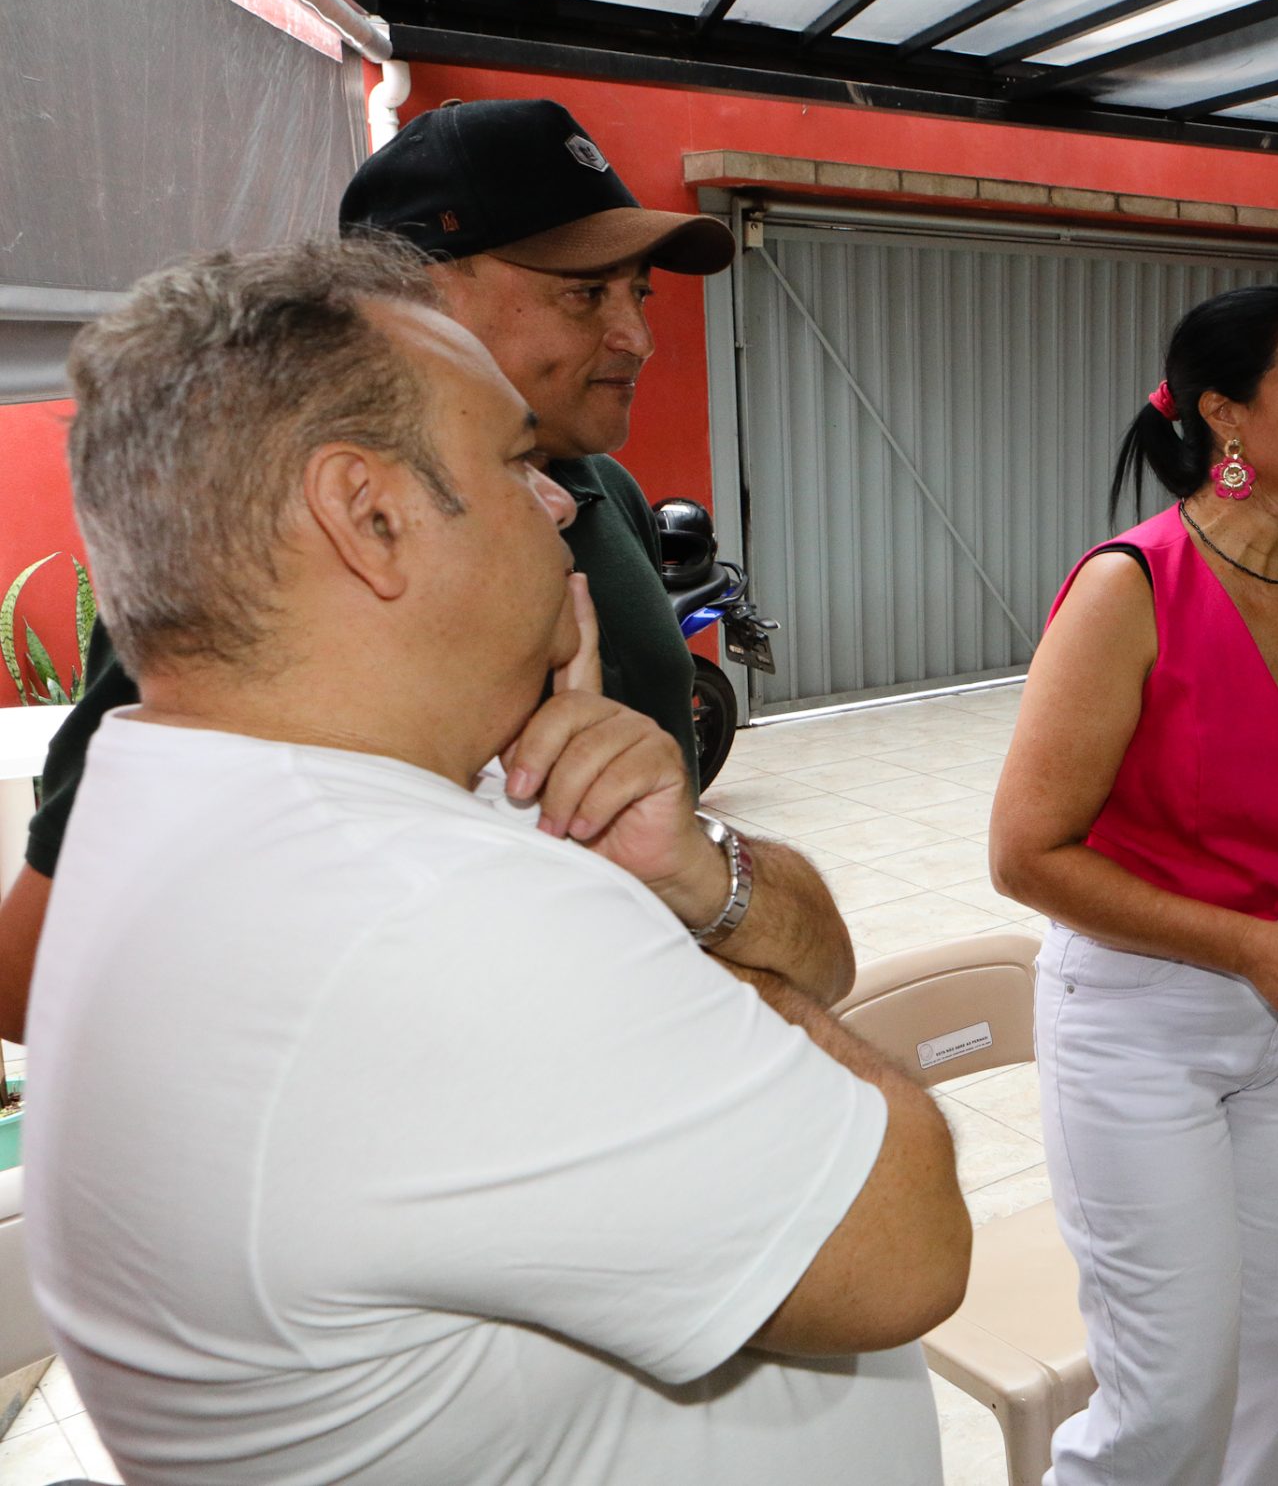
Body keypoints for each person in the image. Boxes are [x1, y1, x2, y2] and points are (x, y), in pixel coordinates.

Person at [27, 241, 969, 1482]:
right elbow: (910, 1245)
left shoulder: (193, 792)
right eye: (517, 459)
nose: (564, 500)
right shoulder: (423, 915)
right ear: (369, 516)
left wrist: (685, 870)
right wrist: (601, 896)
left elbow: (821, 958)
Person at [0, 96, 784, 1043]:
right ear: (415, 299)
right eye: (585, 292)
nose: (638, 337)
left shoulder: (603, 488)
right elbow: (40, 971)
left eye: (639, 294)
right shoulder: (278, 557)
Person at [988, 285, 1278, 1485]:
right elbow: (1026, 852)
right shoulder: (1131, 587)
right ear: (1226, 414)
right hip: (1140, 1025)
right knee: (1169, 1392)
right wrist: (1246, 945)